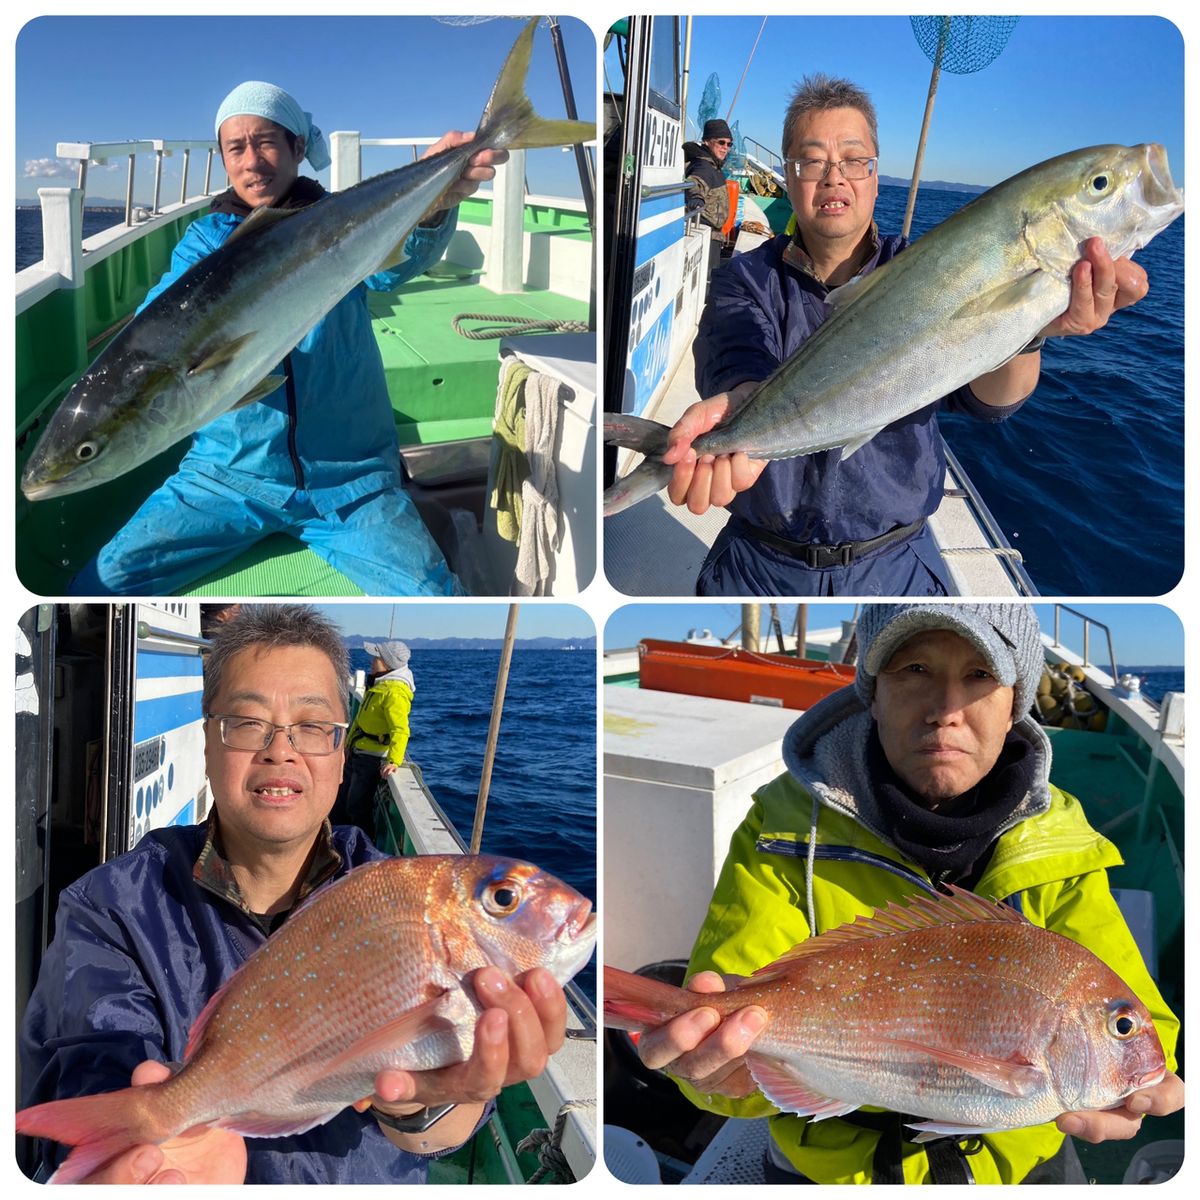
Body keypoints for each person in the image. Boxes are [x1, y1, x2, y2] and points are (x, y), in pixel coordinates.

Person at [635, 603, 1183, 1184]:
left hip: (1019, 1162)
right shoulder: (783, 829)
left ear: (1015, 700)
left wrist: (1140, 1090)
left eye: (979, 676)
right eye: (914, 670)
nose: (945, 711)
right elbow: (729, 1040)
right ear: (872, 693)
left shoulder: (1064, 845)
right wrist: (722, 1080)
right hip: (829, 1172)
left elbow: (1138, 1019)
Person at [19, 606, 568, 1184]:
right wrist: (138, 1155)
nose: (280, 750)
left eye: (312, 727)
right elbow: (97, 1059)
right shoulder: (109, 905)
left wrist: (416, 1098)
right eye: (248, 723)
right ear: (208, 742)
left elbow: (437, 1133)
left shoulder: (395, 891)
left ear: (340, 755)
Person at [664, 76, 1154, 596]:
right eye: (812, 161)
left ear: (876, 176)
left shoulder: (930, 271)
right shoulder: (745, 278)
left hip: (899, 565)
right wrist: (743, 405)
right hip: (759, 561)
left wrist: (1029, 330)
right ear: (788, 174)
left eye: (854, 161)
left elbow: (988, 402)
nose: (835, 178)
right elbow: (736, 355)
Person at [70, 81, 508, 598]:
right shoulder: (204, 245)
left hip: (352, 482)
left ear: (299, 148)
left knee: (434, 598)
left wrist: (434, 206)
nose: (252, 162)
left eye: (267, 142)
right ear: (224, 160)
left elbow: (394, 269)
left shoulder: (343, 221)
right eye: (236, 148)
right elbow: (159, 321)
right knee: (99, 586)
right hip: (225, 477)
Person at [332, 639, 416, 838]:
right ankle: (335, 840)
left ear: (388, 664)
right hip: (358, 751)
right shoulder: (381, 685)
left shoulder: (394, 692)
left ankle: (360, 849)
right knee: (342, 799)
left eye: (377, 657)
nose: (372, 661)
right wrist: (348, 745)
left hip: (371, 758)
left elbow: (400, 730)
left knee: (357, 806)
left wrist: (394, 760)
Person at [684, 119, 734, 277]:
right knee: (705, 281)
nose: (725, 148)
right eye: (721, 142)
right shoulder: (703, 166)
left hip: (714, 235)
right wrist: (697, 198)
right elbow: (693, 183)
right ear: (707, 142)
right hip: (706, 235)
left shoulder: (713, 166)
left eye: (729, 144)